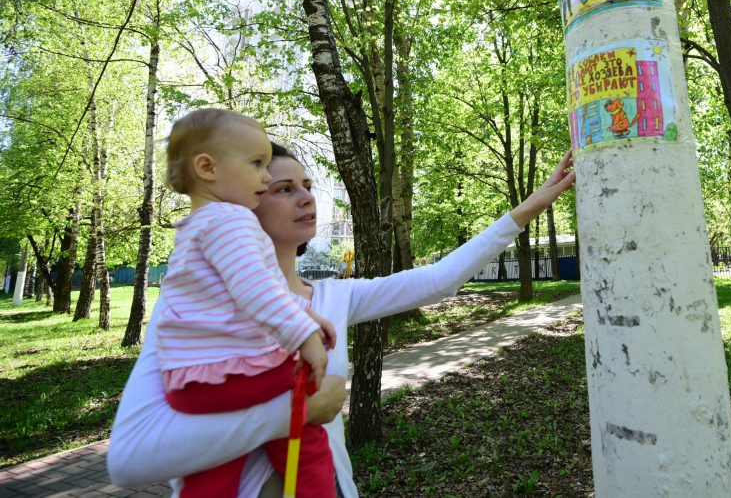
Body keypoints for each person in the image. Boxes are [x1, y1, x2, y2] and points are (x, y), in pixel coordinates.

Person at [108, 142, 575, 497]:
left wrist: (529, 208)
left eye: (308, 187)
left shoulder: (333, 296)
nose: (307, 199)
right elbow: (129, 461)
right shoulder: (194, 310)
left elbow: (440, 280)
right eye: (284, 189)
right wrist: (294, 415)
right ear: (244, 205)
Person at [155, 109, 337, 497]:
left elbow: (238, 297)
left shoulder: (193, 227)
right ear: (208, 167)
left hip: (189, 382)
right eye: (256, 164)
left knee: (211, 471)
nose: (265, 175)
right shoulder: (231, 220)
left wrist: (305, 313)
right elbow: (255, 289)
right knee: (308, 443)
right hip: (239, 375)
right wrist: (304, 332)